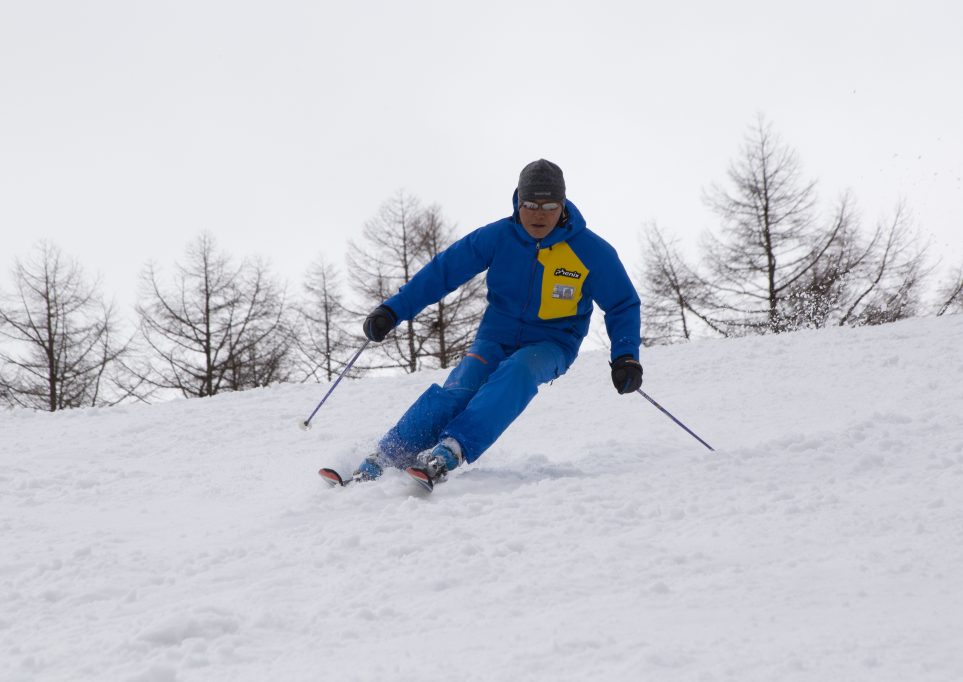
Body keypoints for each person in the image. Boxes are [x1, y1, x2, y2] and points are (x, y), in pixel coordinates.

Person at [351, 159, 642, 488]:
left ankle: (450, 450)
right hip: (494, 337)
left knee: (518, 370)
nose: (539, 214)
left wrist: (625, 356)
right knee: (459, 390)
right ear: (518, 201)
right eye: (530, 204)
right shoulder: (498, 237)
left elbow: (622, 304)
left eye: (549, 206)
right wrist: (392, 310)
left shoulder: (591, 251)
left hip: (552, 343)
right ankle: (387, 458)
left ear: (562, 206)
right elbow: (443, 272)